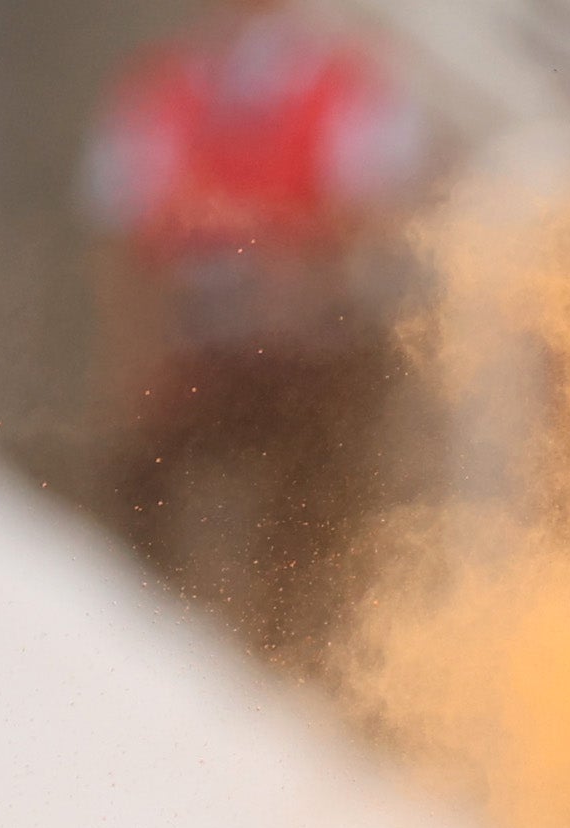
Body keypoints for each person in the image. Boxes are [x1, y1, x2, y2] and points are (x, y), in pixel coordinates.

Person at [81, 5, 426, 672]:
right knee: (140, 484)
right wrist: (136, 364)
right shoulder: (161, 88)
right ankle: (150, 659)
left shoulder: (342, 82)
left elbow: (373, 227)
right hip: (200, 359)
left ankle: (302, 656)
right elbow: (123, 248)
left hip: (312, 363)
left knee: (311, 509)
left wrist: (291, 277)